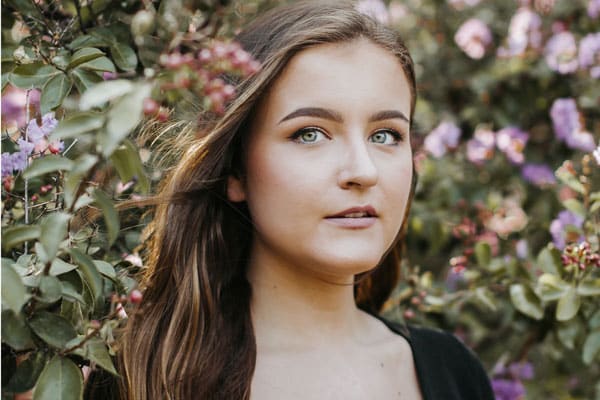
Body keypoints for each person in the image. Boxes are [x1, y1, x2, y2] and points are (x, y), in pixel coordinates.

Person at [86, 1, 495, 399]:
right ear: (235, 170)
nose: (363, 170)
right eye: (310, 133)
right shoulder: (145, 378)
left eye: (385, 135)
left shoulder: (454, 373)